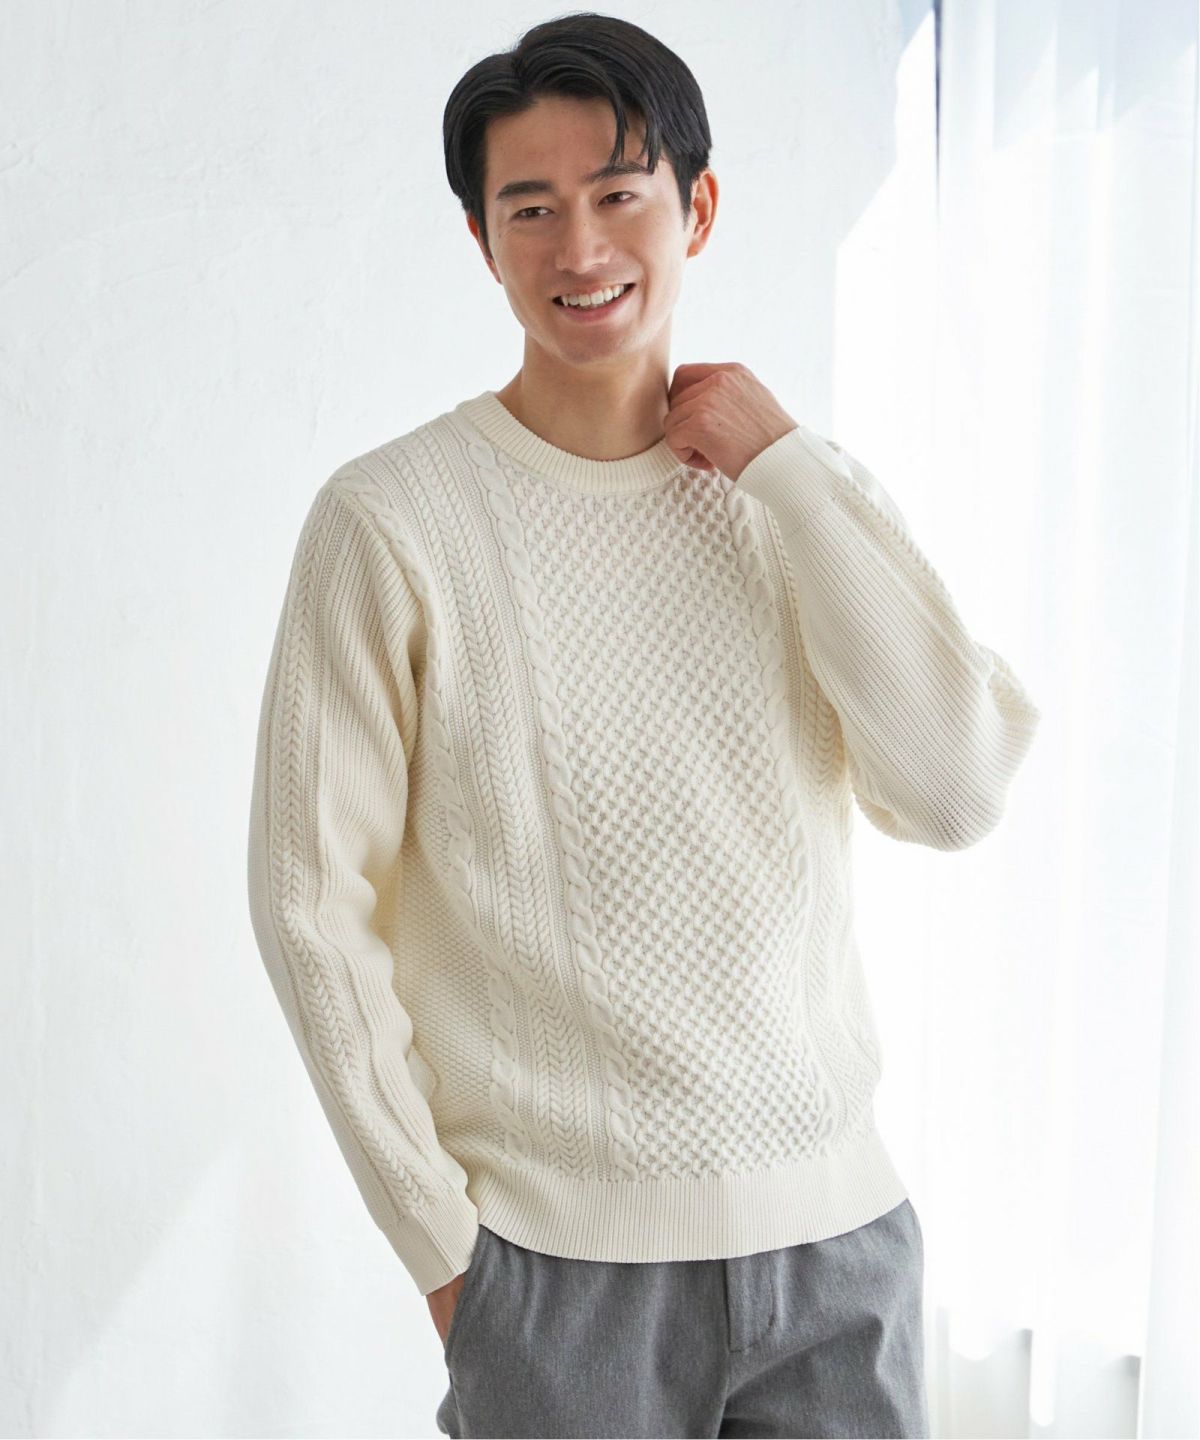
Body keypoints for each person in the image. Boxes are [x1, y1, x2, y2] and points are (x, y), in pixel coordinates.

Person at [246, 12, 1041, 1438]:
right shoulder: (391, 521)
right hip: (556, 1278)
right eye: (529, 209)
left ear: (698, 208)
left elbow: (956, 792)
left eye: (619, 194)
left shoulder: (801, 494)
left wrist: (786, 471)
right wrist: (446, 1256)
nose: (580, 246)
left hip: (839, 1250)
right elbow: (310, 904)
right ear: (483, 242)